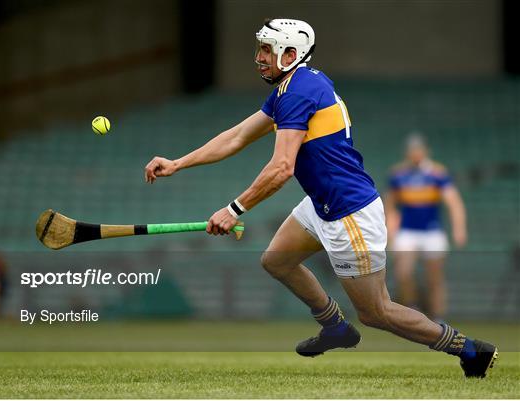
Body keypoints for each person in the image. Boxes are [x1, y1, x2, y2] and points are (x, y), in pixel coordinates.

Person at [144, 18, 497, 378]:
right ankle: (335, 328)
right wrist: (178, 163)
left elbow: (282, 168)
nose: (259, 57)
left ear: (291, 54)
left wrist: (234, 209)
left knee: (377, 312)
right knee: (277, 261)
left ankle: (468, 349)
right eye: (260, 48)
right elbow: (237, 136)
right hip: (321, 205)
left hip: (348, 213)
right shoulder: (293, 86)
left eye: (268, 50)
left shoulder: (298, 92)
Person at [385, 134, 467, 323]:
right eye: (412, 150)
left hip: (432, 231)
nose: (415, 154)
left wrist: (459, 228)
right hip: (407, 231)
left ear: (426, 151)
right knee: (403, 272)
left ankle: (438, 317)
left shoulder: (438, 174)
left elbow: (454, 202)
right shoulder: (398, 174)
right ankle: (412, 311)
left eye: (418, 149)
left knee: (435, 277)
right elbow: (390, 205)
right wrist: (391, 231)